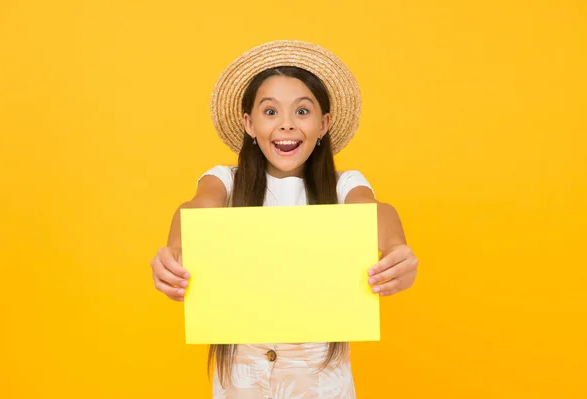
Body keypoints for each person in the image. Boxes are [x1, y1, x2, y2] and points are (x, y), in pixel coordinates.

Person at [150, 40, 419, 399]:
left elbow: (376, 212)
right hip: (241, 384)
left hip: (321, 386)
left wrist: (397, 249)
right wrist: (176, 250)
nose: (287, 125)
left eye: (303, 112)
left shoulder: (344, 185)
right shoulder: (225, 181)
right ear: (249, 123)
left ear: (323, 124)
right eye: (271, 112)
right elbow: (198, 206)